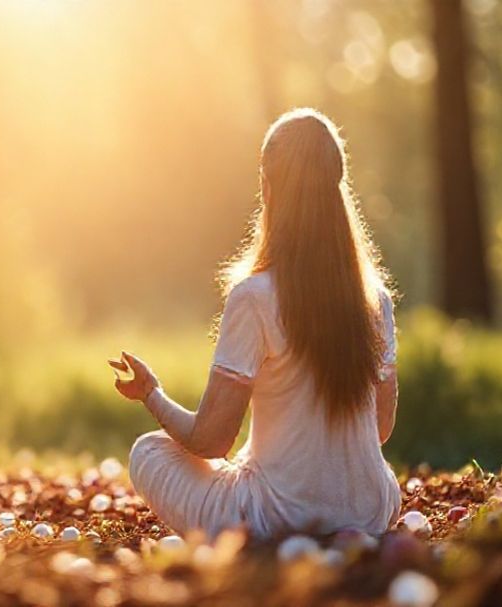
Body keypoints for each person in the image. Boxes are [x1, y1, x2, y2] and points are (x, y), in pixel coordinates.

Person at [109, 108, 400, 540]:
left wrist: (151, 394)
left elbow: (210, 442)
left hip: (276, 522)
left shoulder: (255, 297)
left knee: (148, 451)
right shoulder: (375, 299)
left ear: (267, 188)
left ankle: (271, 543)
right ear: (337, 189)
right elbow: (378, 430)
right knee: (280, 463)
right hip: (371, 512)